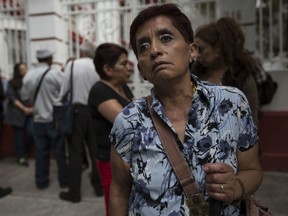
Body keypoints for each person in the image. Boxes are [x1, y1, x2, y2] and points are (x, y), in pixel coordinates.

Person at [109, 3, 262, 216]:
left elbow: (253, 170)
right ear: (141, 69)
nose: (154, 50)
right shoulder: (128, 122)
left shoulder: (232, 103)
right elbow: (118, 191)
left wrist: (236, 186)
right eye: (143, 46)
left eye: (166, 38)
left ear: (192, 52)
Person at [88, 43, 133, 216]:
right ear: (108, 69)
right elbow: (128, 123)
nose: (129, 67)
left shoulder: (123, 87)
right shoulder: (99, 90)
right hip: (110, 162)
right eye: (123, 63)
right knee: (117, 209)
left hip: (127, 161)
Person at [192, 16, 260, 124]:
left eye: (201, 49)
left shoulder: (241, 78)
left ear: (217, 48)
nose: (197, 55)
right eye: (194, 50)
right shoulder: (195, 74)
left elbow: (251, 122)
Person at [59, 41, 102, 203]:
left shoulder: (72, 65)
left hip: (77, 112)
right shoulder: (98, 66)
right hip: (96, 111)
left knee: (75, 151)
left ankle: (74, 193)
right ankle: (98, 188)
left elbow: (63, 91)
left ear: (81, 52)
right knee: (95, 151)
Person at [21, 48, 68, 189]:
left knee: (41, 153)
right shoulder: (55, 74)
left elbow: (24, 98)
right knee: (60, 152)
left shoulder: (28, 76)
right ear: (48, 59)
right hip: (54, 120)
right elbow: (65, 92)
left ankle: (41, 182)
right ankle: (63, 181)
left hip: (37, 120)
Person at [4, 63, 33, 166]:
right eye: (21, 70)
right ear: (17, 71)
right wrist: (24, 108)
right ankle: (20, 157)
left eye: (25, 69)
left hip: (29, 112)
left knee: (31, 133)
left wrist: (31, 108)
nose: (24, 71)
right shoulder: (12, 83)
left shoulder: (29, 81)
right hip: (16, 113)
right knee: (19, 137)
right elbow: (12, 98)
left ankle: (23, 151)